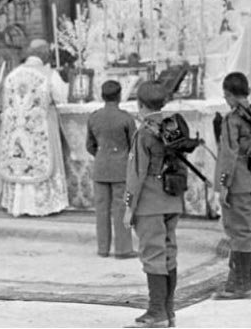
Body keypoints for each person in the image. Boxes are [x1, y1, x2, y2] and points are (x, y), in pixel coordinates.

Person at [122, 81, 181, 328]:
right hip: (172, 199)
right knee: (169, 253)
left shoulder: (144, 132)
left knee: (152, 254)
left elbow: (136, 172)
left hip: (149, 202)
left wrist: (129, 207)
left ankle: (156, 312)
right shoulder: (173, 126)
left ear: (140, 104)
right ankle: (168, 311)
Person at [0, 39, 69, 216]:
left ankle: (18, 206)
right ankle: (42, 206)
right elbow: (62, 97)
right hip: (40, 129)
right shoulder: (48, 74)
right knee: (38, 160)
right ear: (44, 54)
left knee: (19, 162)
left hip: (15, 132)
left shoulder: (12, 75)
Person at [212, 72, 251, 300]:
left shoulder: (232, 119)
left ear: (229, 94)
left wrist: (224, 185)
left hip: (238, 182)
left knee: (239, 230)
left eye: (226, 96)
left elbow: (228, 155)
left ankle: (241, 284)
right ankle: (248, 279)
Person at [86, 80, 137, 259]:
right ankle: (123, 249)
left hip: (100, 168)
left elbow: (90, 145)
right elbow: (134, 146)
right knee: (122, 209)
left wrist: (102, 156)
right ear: (119, 95)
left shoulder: (94, 117)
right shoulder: (126, 118)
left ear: (102, 95)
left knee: (101, 211)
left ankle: (103, 248)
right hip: (121, 169)